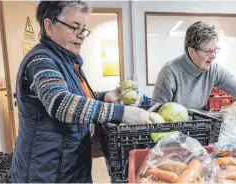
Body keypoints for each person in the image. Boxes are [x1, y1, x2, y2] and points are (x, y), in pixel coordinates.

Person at [10, 1, 151, 183]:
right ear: (49, 26)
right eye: (74, 27)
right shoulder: (41, 61)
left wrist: (104, 96)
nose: (81, 35)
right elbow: (61, 103)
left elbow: (76, 96)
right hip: (45, 173)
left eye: (83, 29)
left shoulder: (67, 61)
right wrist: (120, 113)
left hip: (70, 167)